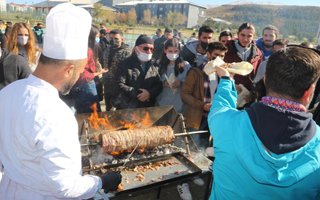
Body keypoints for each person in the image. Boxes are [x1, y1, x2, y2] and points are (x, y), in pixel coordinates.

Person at [0, 3, 121, 199]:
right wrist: (102, 181)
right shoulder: (56, 114)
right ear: (68, 69)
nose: (80, 75)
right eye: (80, 71)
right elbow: (66, 187)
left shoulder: (8, 92)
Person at [208, 46, 320, 199]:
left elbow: (220, 107)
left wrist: (227, 79)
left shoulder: (225, 124)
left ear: (266, 80)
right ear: (309, 92)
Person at [181, 42, 228, 146]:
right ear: (208, 54)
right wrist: (202, 105)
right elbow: (185, 94)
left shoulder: (224, 74)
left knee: (212, 149)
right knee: (196, 149)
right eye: (216, 55)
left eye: (222, 56)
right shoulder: (196, 72)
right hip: (198, 117)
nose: (219, 59)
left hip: (216, 116)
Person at [112, 34, 163, 109]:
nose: (149, 51)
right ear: (136, 49)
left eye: (151, 49)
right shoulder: (125, 64)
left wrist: (149, 93)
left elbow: (158, 84)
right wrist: (137, 93)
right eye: (145, 48)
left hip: (147, 108)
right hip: (127, 107)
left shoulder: (154, 65)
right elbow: (118, 84)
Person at [70, 25, 108, 113]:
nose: (98, 39)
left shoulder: (76, 47)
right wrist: (99, 73)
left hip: (77, 84)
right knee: (93, 112)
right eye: (97, 37)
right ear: (91, 36)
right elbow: (84, 74)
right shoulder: (87, 51)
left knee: (81, 111)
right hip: (85, 84)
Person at [224, 22, 263, 92]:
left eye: (249, 36)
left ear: (253, 36)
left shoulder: (258, 54)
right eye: (243, 35)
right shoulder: (226, 50)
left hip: (249, 94)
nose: (245, 39)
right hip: (229, 90)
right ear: (238, 34)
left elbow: (257, 76)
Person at [156, 38, 191, 113]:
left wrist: (181, 83)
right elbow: (153, 82)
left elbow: (191, 84)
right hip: (161, 104)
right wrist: (163, 83)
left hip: (179, 105)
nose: (173, 54)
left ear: (179, 51)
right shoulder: (159, 64)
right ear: (165, 50)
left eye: (175, 51)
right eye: (170, 51)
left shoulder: (186, 65)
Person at [102, 29, 131, 110]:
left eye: (116, 39)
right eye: (111, 39)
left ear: (122, 39)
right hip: (107, 85)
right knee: (108, 109)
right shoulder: (107, 49)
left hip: (120, 87)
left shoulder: (127, 52)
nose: (113, 41)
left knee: (119, 110)